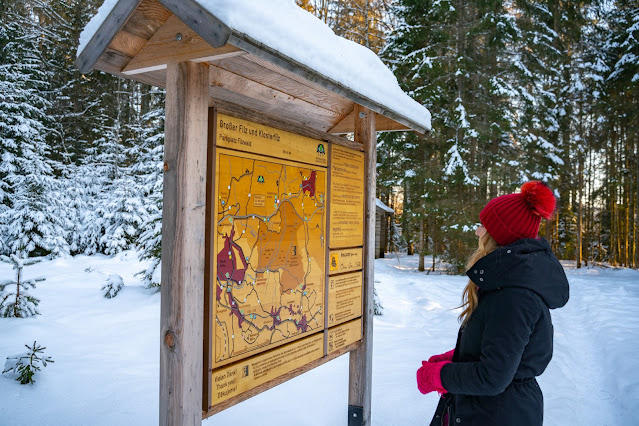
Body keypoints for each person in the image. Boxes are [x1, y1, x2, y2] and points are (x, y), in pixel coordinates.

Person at [416, 181, 570, 426]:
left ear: (499, 234)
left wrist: (438, 376)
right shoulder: (507, 285)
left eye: (483, 225)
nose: (478, 231)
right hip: (489, 410)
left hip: (498, 414)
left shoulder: (514, 297)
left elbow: (492, 376)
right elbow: (501, 349)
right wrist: (454, 358)